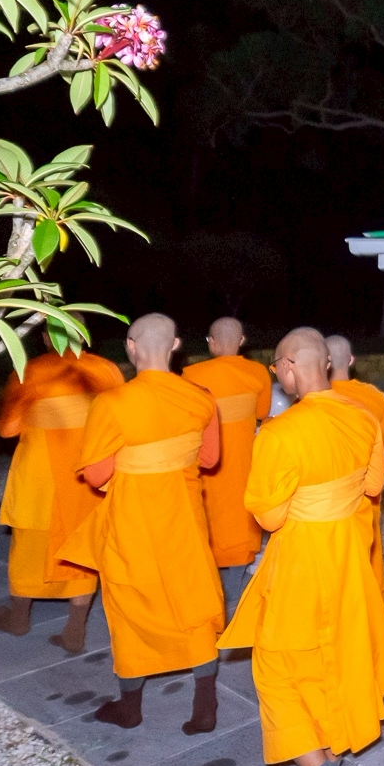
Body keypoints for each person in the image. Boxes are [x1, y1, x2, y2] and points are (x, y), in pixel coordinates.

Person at [220, 328, 384, 766]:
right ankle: (328, 753)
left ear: (292, 367)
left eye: (277, 367)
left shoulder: (280, 433)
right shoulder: (365, 416)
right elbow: (372, 486)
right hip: (347, 558)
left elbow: (270, 515)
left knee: (276, 670)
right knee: (333, 656)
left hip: (302, 561)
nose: (277, 375)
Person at [61, 313, 226, 735]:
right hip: (185, 519)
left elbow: (96, 475)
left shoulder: (113, 403)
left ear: (131, 348)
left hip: (133, 518)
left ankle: (130, 707)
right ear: (175, 346)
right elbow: (209, 460)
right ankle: (205, 703)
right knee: (191, 599)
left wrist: (135, 460)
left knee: (130, 603)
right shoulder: (202, 398)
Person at [0, 348, 124, 653]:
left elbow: (7, 428)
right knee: (83, 550)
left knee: (28, 549)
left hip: (41, 478)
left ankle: (19, 619)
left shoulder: (32, 372)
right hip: (86, 477)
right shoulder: (106, 369)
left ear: (48, 336)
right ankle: (75, 629)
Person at [181, 317, 273, 617]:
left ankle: (206, 587)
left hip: (205, 464)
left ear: (212, 342)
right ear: (242, 341)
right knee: (238, 523)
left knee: (205, 521)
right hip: (243, 465)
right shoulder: (258, 373)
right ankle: (231, 588)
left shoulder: (192, 375)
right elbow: (262, 414)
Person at [325, 334, 384, 588]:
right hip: (367, 486)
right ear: (352, 360)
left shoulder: (310, 401)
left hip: (329, 496)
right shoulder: (374, 398)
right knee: (368, 550)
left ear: (323, 363)